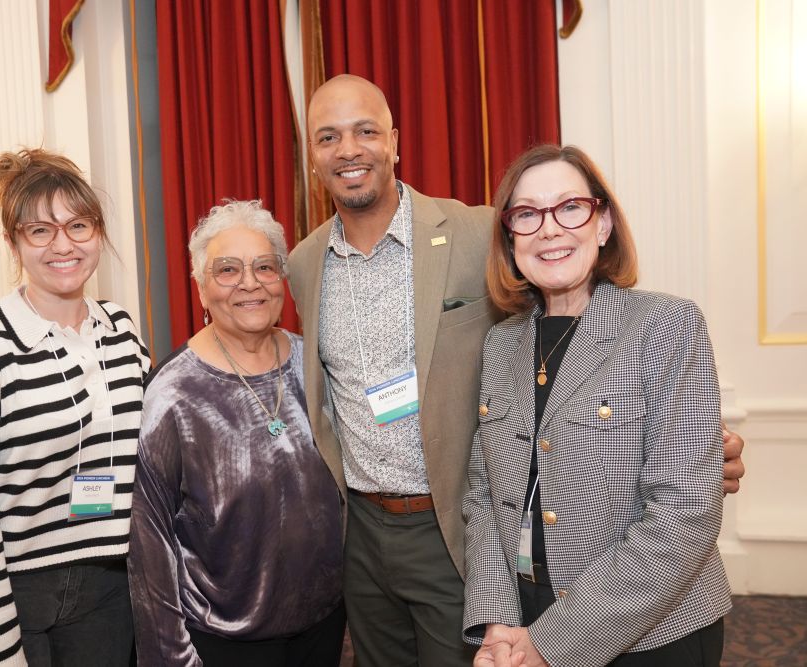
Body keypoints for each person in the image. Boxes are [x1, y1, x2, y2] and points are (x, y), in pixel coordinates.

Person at [286, 74, 745, 666]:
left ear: (395, 142)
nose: (349, 149)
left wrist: (712, 448)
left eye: (366, 131)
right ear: (313, 156)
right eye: (329, 137)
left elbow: (659, 463)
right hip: (371, 532)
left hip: (450, 532)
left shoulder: (478, 232)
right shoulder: (303, 264)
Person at [462, 144, 731, 666]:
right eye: (527, 214)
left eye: (569, 207)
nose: (548, 228)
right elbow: (485, 496)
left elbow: (685, 512)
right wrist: (500, 622)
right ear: (510, 237)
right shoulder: (501, 344)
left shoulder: (666, 327)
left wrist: (555, 644)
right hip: (528, 615)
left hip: (650, 631)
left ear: (602, 222)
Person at [0, 148, 150, 666]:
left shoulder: (122, 331)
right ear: (13, 242)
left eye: (78, 226)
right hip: (4, 587)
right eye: (39, 231)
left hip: (105, 583)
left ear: (98, 232)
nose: (62, 245)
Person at [128, 200, 344, 667]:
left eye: (264, 267)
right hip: (226, 640)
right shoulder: (172, 394)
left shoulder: (315, 365)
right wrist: (171, 655)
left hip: (324, 626)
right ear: (201, 289)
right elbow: (150, 544)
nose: (249, 283)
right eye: (227, 270)